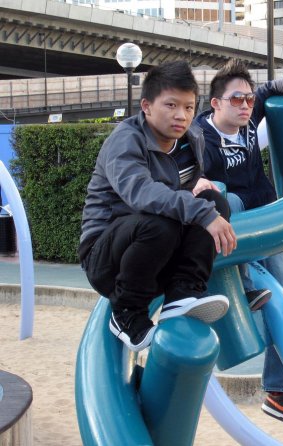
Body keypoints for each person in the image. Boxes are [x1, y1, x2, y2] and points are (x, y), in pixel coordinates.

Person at [195, 58, 283, 431]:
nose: (246, 106)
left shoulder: (248, 114)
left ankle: (278, 393)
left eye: (247, 99)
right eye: (236, 100)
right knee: (226, 199)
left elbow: (275, 87)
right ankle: (242, 284)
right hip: (228, 227)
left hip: (263, 223)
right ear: (215, 104)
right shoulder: (199, 138)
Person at [79, 61, 237, 352]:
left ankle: (183, 291)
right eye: (171, 105)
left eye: (189, 107)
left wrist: (206, 208)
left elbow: (186, 196)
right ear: (146, 106)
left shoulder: (193, 139)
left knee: (215, 202)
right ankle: (126, 313)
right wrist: (201, 213)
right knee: (165, 219)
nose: (182, 116)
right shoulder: (126, 141)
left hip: (157, 253)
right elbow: (142, 193)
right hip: (108, 260)